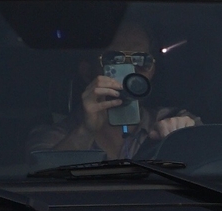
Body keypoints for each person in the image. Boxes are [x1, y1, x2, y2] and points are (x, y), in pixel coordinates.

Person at [28, 17, 200, 160]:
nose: (130, 70)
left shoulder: (170, 118)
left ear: (151, 70)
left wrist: (185, 135)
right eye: (115, 59)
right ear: (87, 72)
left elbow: (212, 156)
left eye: (140, 60)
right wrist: (86, 131)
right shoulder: (57, 134)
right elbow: (43, 176)